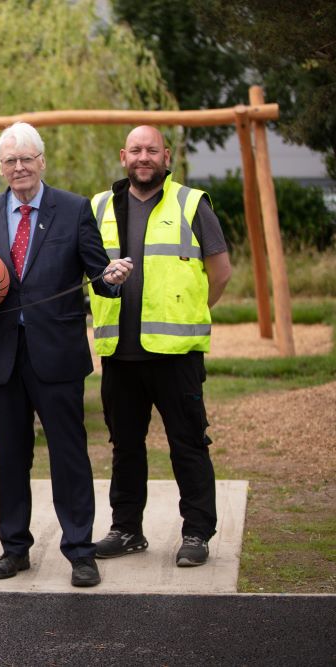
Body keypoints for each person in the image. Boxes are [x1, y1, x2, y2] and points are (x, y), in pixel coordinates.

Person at [0, 122, 133, 588]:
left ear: (42, 162)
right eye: (10, 161)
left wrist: (110, 278)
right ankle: (14, 548)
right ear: (1, 167)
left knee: (69, 455)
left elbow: (97, 275)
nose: (18, 168)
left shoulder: (73, 210)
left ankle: (79, 550)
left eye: (26, 159)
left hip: (58, 355)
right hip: (4, 356)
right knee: (11, 457)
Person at [90, 126, 231, 568]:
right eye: (136, 150)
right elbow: (86, 271)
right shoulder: (98, 207)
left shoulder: (192, 203)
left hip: (176, 356)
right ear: (123, 156)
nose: (144, 156)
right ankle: (127, 529)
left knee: (188, 444)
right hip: (120, 354)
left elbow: (221, 271)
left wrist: (190, 313)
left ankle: (196, 533)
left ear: (166, 157)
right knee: (125, 447)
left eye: (152, 149)